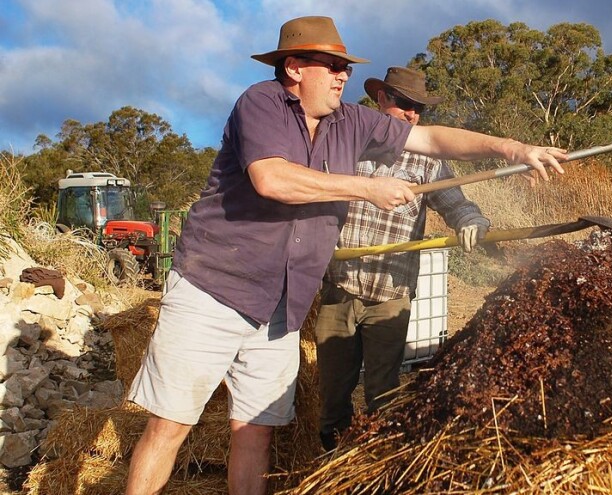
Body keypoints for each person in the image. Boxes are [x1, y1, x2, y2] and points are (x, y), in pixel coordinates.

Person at [124, 15, 566, 495]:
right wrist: (366, 188)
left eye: (346, 68)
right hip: (215, 289)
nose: (343, 76)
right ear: (294, 68)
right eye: (333, 66)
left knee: (255, 433)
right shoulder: (261, 103)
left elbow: (434, 139)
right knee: (170, 425)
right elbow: (272, 179)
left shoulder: (352, 122)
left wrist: (510, 147)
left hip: (281, 306)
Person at [315, 67, 490, 451]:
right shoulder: (349, 143)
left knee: (383, 392)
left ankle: (375, 461)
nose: (411, 115)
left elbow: (456, 202)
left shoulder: (429, 162)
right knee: (333, 390)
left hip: (391, 294)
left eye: (418, 109)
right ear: (381, 100)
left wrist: (471, 220)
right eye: (404, 105)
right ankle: (329, 460)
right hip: (340, 290)